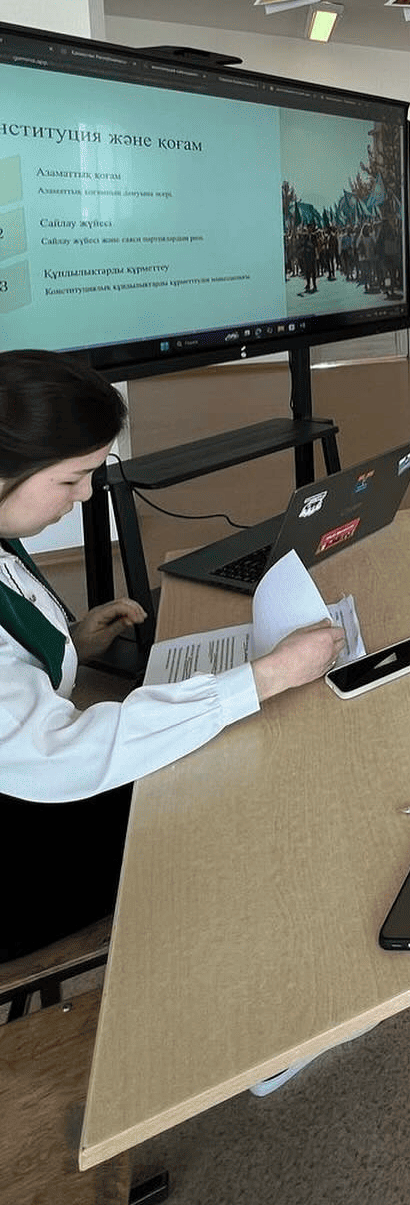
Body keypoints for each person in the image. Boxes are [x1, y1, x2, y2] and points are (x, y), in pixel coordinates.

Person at [0, 348, 344, 961]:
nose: (85, 496)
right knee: (212, 792)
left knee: (216, 749)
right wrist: (266, 677)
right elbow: (62, 756)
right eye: (71, 480)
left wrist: (68, 642)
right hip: (21, 864)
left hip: (31, 783)